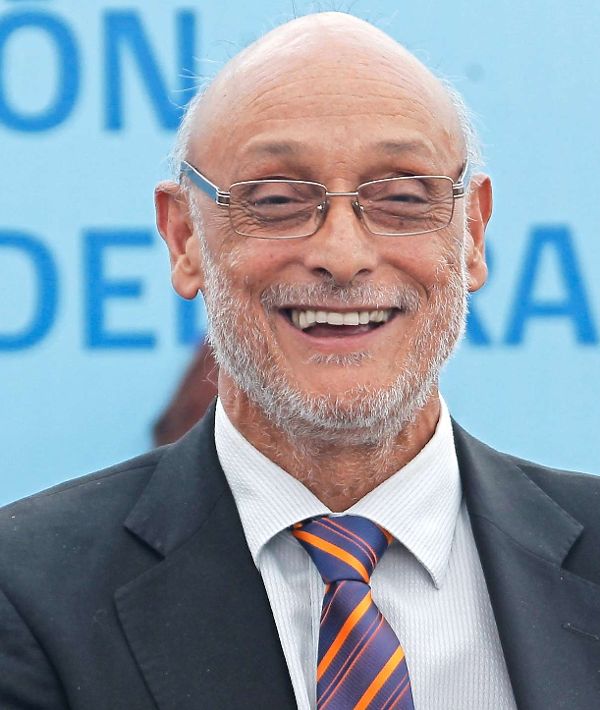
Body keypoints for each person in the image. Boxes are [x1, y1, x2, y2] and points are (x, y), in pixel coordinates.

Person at [1, 12, 599, 710]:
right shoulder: (28, 591)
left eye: (402, 199)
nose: (342, 255)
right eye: (278, 201)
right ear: (185, 238)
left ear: (471, 233)